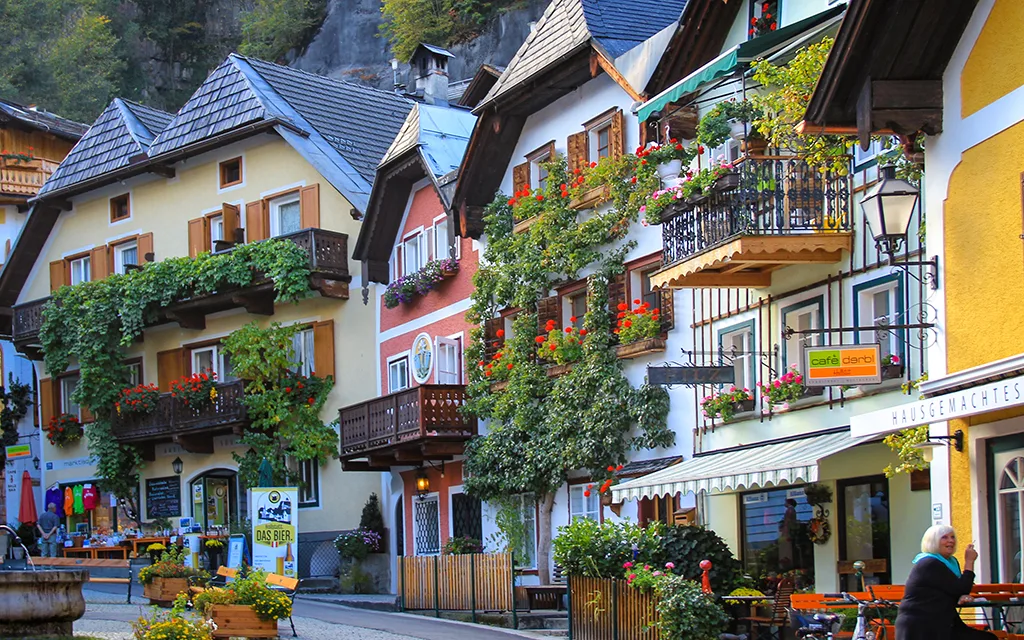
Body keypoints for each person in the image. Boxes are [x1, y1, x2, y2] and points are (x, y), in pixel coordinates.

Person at [896, 524, 996, 640]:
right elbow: (961, 587)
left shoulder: (950, 563)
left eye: (952, 537)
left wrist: (961, 596)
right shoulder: (929, 563)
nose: (950, 541)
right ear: (933, 541)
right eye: (944, 537)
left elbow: (952, 588)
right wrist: (969, 562)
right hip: (921, 625)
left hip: (941, 621)